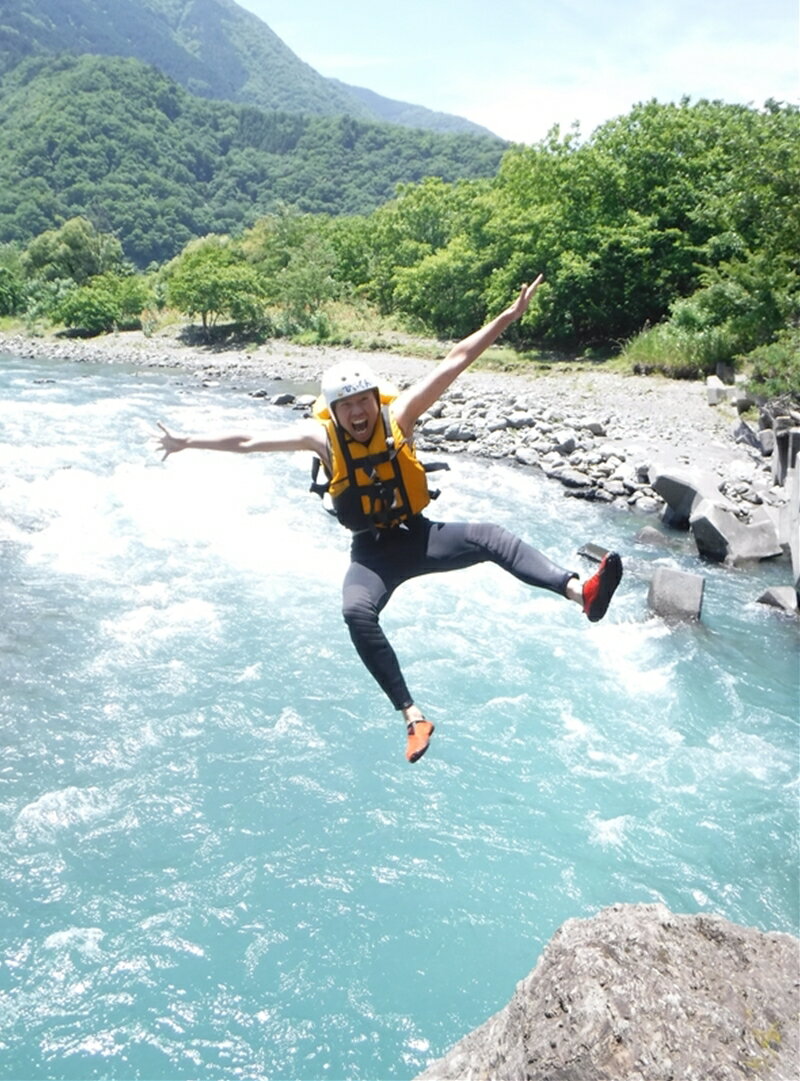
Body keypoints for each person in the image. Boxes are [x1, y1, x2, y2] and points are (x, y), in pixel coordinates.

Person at [155, 276, 622, 764]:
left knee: (491, 537)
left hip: (419, 537)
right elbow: (248, 441)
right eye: (346, 405)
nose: (357, 413)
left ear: (374, 400)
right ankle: (413, 717)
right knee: (356, 612)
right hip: (373, 555)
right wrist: (187, 442)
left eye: (363, 401)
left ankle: (580, 593)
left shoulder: (400, 417)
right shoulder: (322, 439)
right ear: (333, 411)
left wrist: (507, 317)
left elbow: (455, 361)